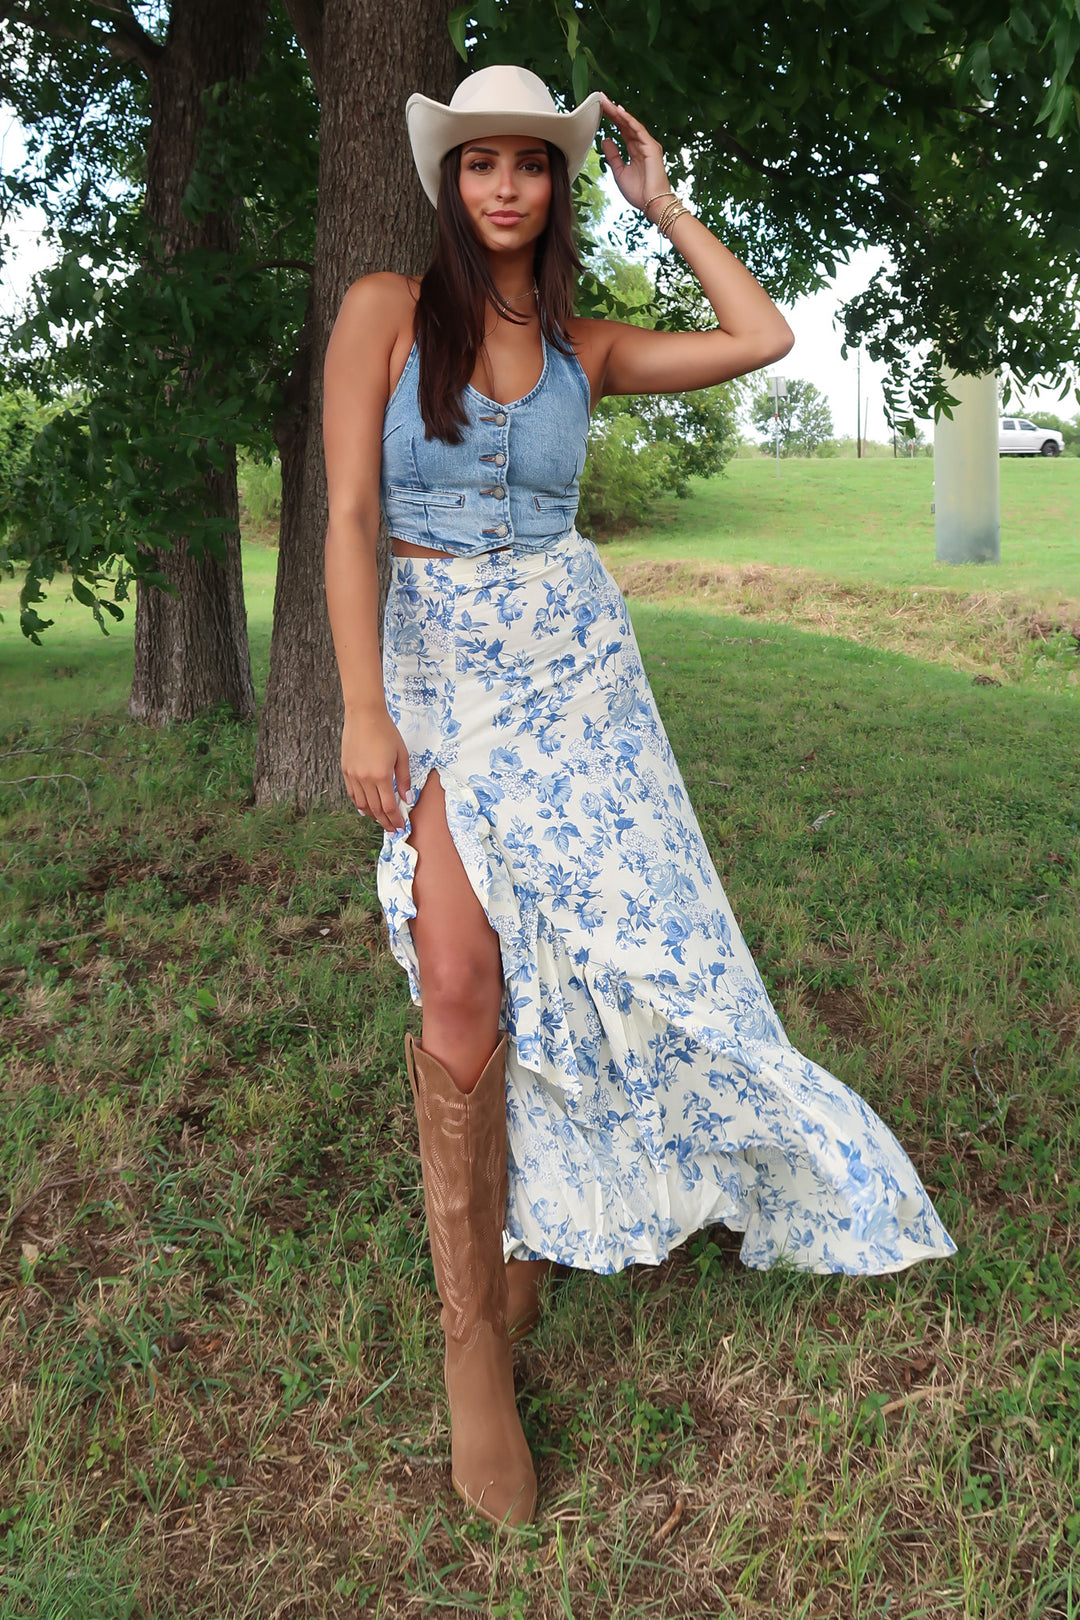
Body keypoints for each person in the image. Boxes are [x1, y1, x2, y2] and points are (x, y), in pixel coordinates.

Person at [322, 65, 956, 1531]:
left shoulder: (583, 348)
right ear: (449, 181)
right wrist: (359, 704)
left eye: (529, 163)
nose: (503, 186)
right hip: (438, 672)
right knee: (461, 975)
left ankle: (530, 1237)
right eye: (478, 161)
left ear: (556, 185)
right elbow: (350, 512)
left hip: (576, 674)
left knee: (595, 960)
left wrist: (663, 207)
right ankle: (473, 1342)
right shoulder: (383, 310)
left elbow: (763, 336)